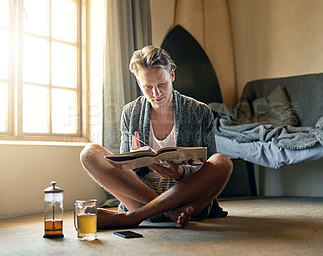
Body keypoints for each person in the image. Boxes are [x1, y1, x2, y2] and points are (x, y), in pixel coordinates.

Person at [80, 45, 233, 229]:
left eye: (162, 84)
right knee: (89, 153)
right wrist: (135, 160)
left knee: (222, 162)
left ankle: (131, 218)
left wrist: (181, 173)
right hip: (142, 194)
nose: (156, 93)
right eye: (148, 87)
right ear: (138, 82)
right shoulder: (130, 112)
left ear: (172, 76)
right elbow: (124, 174)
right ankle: (170, 212)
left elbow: (208, 166)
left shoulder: (199, 111)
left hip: (187, 195)